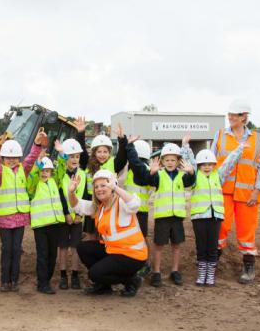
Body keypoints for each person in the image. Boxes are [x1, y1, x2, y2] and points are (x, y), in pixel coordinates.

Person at [0, 131, 46, 292]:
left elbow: (30, 158)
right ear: (3, 158)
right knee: (6, 249)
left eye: (15, 157)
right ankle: (4, 281)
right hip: (5, 218)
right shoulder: (1, 172)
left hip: (20, 217)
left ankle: (14, 281)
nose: (12, 160)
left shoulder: (24, 169)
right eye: (8, 158)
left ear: (19, 158)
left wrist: (37, 145)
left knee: (17, 249)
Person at [67, 168, 148, 297]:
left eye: (104, 185)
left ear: (113, 186)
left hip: (132, 255)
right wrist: (71, 192)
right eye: (97, 186)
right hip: (114, 250)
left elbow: (134, 204)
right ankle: (104, 285)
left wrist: (116, 188)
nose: (99, 189)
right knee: (83, 247)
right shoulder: (101, 206)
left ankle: (131, 280)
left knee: (94, 274)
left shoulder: (121, 202)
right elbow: (77, 206)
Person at [211, 100, 260, 284]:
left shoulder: (257, 139)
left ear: (244, 117)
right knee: (220, 227)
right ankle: (212, 262)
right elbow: (210, 164)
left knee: (247, 231)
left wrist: (256, 191)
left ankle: (249, 266)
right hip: (222, 192)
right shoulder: (219, 135)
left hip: (247, 195)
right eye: (229, 114)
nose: (230, 117)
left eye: (234, 115)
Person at [129, 140, 195, 287]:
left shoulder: (181, 176)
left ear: (178, 161)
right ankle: (157, 272)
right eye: (167, 160)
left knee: (176, 245)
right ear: (162, 161)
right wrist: (152, 172)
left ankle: (175, 271)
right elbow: (150, 181)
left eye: (173, 160)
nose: (170, 163)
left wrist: (191, 172)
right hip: (162, 217)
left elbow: (190, 182)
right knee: (159, 245)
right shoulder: (159, 175)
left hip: (177, 216)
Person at [181, 136, 245, 286]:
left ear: (214, 165)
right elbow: (189, 160)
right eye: (204, 164)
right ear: (199, 165)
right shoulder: (195, 175)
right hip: (199, 217)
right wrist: (185, 145)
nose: (207, 167)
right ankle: (202, 273)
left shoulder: (219, 175)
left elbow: (229, 162)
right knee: (201, 246)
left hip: (215, 217)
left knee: (212, 247)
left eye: (210, 164)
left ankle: (210, 275)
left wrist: (239, 149)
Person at [52, 126, 88, 290]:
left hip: (78, 217)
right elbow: (60, 196)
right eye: (71, 156)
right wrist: (66, 213)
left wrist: (80, 214)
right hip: (63, 217)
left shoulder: (83, 174)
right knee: (63, 247)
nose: (74, 159)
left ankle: (74, 275)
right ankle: (62, 275)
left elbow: (85, 196)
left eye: (77, 156)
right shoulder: (60, 174)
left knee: (75, 247)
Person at [27, 155, 66, 294]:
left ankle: (46, 281)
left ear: (51, 172)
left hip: (55, 224)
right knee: (43, 254)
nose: (44, 173)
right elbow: (31, 177)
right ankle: (42, 283)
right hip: (40, 226)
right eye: (42, 171)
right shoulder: (34, 185)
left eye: (47, 171)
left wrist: (62, 156)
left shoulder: (54, 182)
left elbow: (61, 171)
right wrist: (37, 165)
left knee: (52, 255)